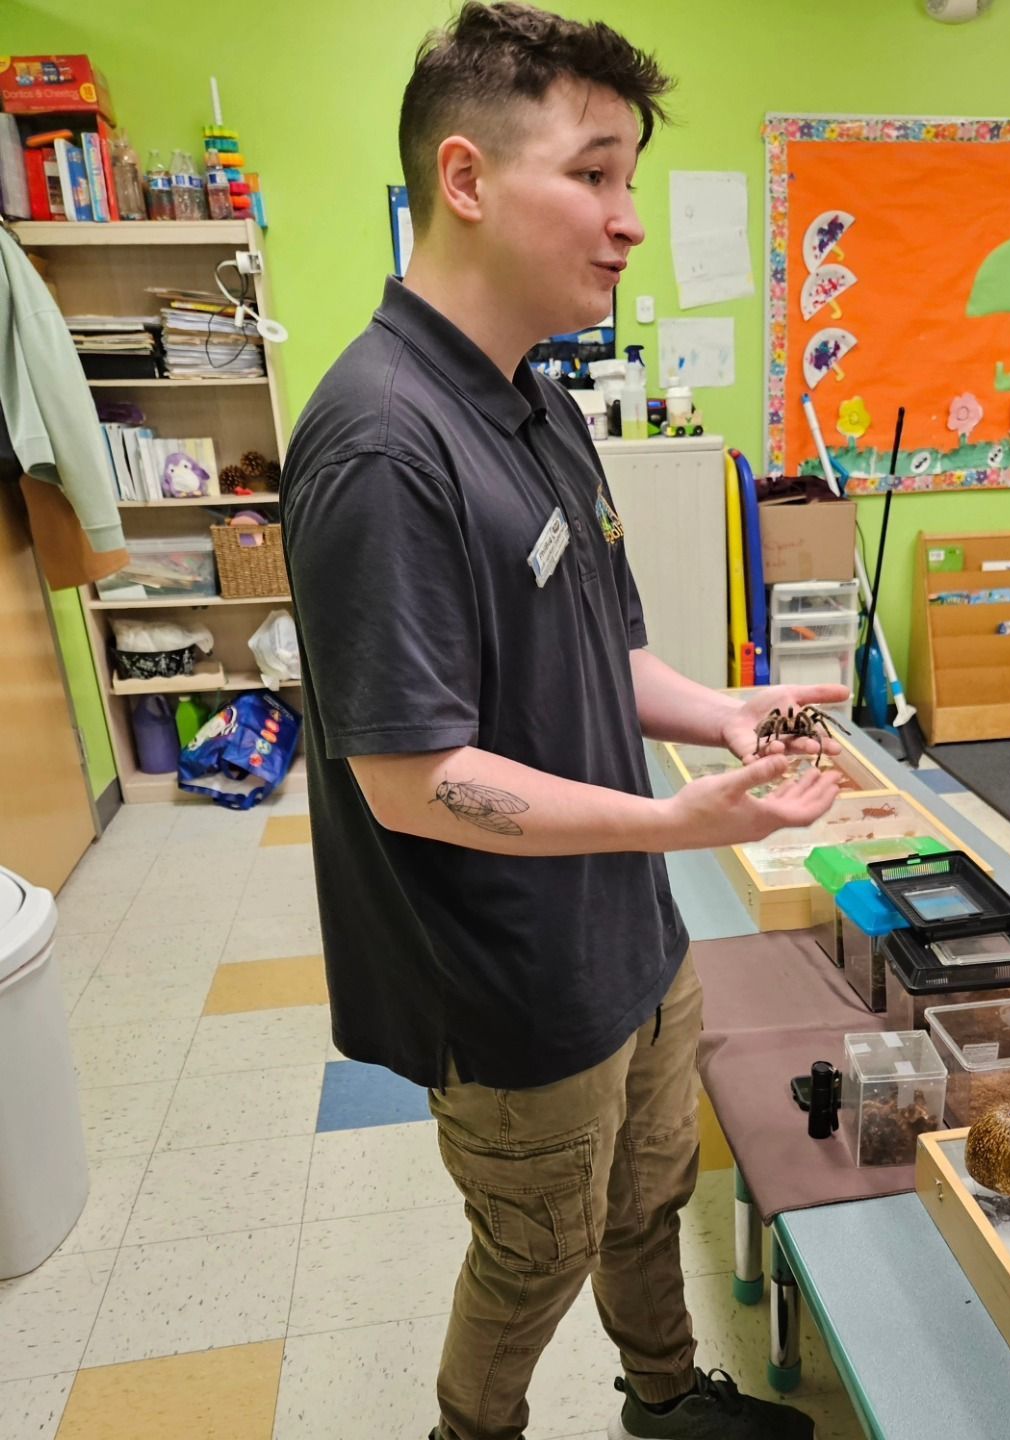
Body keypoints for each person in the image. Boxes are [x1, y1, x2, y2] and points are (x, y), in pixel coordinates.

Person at [280, 8, 842, 1438]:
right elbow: (414, 781)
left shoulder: (536, 398)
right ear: (464, 180)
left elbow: (609, 646)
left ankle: (664, 1404)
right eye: (594, 175)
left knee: (648, 1195)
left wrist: (724, 715)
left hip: (628, 934)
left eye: (632, 181)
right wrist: (673, 820)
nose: (629, 222)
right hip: (508, 978)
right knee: (532, 1254)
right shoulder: (382, 440)